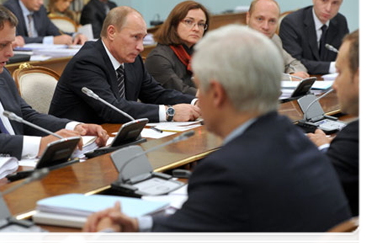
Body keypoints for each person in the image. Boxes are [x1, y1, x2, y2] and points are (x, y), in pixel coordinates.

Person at [82, 25, 350, 243]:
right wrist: (141, 223)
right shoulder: (300, 144)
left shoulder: (229, 172)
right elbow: (204, 220)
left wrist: (104, 234)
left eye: (199, 87)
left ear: (218, 93)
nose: (197, 97)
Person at [0, 0, 108, 160]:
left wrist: (76, 127)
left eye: (12, 44)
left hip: (18, 167)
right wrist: (39, 146)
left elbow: (25, 116)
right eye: (3, 45)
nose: (11, 53)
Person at [49, 6, 201, 124]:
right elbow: (112, 108)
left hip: (113, 140)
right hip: (77, 147)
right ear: (112, 32)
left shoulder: (132, 61)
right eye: (135, 37)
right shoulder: (87, 62)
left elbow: (157, 94)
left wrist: (195, 102)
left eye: (143, 39)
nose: (141, 47)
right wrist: (170, 113)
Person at [307, 28, 363, 216]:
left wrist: (325, 150)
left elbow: (314, 189)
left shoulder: (356, 139)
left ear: (361, 77)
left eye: (339, 72)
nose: (335, 84)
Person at [279, 0, 349, 74]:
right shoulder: (291, 23)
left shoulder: (340, 22)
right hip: (302, 82)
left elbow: (345, 56)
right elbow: (294, 63)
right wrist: (332, 67)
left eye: (335, 3)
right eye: (324, 0)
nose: (328, 8)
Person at [3, 0, 87, 47]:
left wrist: (75, 36)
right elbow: (14, 39)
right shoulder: (9, 9)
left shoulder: (40, 10)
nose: (41, 2)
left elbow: (56, 32)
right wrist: (51, 41)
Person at [145, 0, 210, 95]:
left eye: (201, 24)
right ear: (174, 24)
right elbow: (180, 92)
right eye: (189, 22)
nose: (196, 29)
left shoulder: (200, 54)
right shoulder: (158, 57)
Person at [246, 0, 309, 80]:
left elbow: (295, 63)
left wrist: (294, 74)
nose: (266, 27)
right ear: (248, 17)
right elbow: (254, 78)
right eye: (260, 19)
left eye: (272, 21)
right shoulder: (236, 43)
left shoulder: (274, 39)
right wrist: (290, 78)